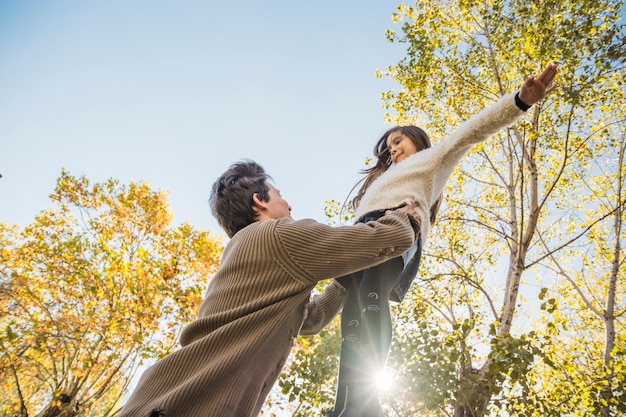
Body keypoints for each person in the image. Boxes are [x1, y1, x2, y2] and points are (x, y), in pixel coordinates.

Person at [329, 64, 558, 417]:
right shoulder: (383, 180)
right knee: (352, 323)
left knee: (373, 299)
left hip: (393, 230)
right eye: (388, 149)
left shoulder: (430, 161)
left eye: (397, 141)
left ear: (416, 140)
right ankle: (345, 406)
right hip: (360, 240)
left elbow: (469, 133)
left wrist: (519, 102)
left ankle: (367, 405)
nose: (392, 151)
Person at [117, 160, 422, 417]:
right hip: (178, 404)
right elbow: (384, 239)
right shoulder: (277, 235)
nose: (289, 203)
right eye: (279, 194)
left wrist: (347, 280)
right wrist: (405, 214)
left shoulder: (252, 250)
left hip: (169, 399)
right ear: (259, 201)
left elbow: (310, 318)